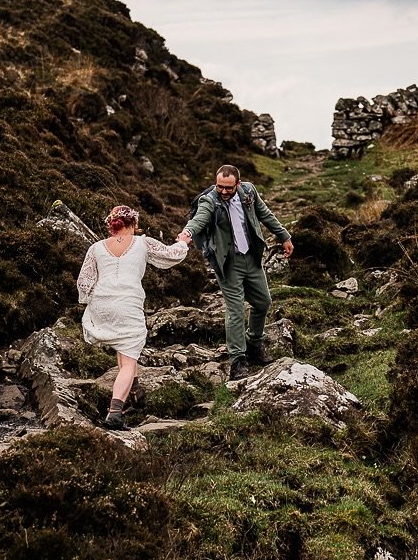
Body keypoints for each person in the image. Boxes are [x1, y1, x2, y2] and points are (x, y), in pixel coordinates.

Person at [77, 205, 191, 430]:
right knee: (129, 360)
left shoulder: (96, 248)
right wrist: (183, 241)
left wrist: (92, 300)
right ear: (134, 224)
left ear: (111, 225)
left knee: (124, 347)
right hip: (128, 304)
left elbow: (84, 282)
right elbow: (171, 255)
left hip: (102, 303)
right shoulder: (143, 243)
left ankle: (136, 390)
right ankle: (115, 413)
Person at [182, 164, 293, 381]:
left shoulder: (249, 192)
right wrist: (187, 232)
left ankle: (254, 344)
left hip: (251, 257)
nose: (223, 191)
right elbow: (200, 218)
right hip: (228, 261)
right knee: (235, 309)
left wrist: (284, 236)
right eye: (219, 187)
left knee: (263, 302)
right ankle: (237, 359)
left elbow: (265, 214)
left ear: (238, 184)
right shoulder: (210, 200)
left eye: (228, 188)